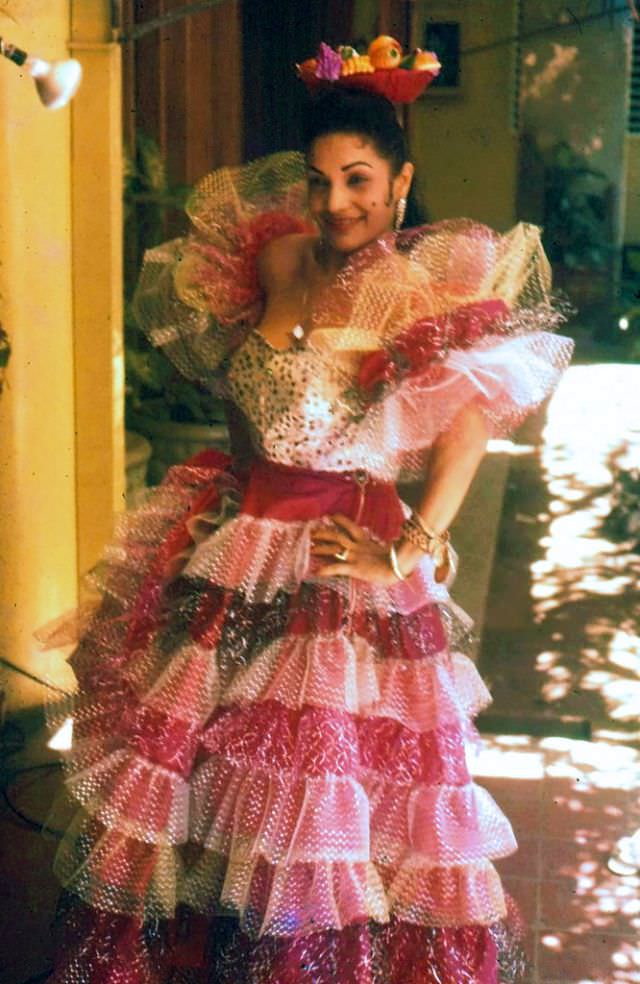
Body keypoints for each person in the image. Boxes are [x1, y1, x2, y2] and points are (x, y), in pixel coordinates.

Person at [45, 84, 573, 983]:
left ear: (400, 180)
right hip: (240, 551)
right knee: (206, 779)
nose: (338, 203)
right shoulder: (276, 257)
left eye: (359, 178)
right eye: (322, 180)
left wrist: (409, 547)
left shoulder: (424, 281)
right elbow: (250, 396)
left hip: (339, 566)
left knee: (314, 791)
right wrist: (225, 494)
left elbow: (469, 423)